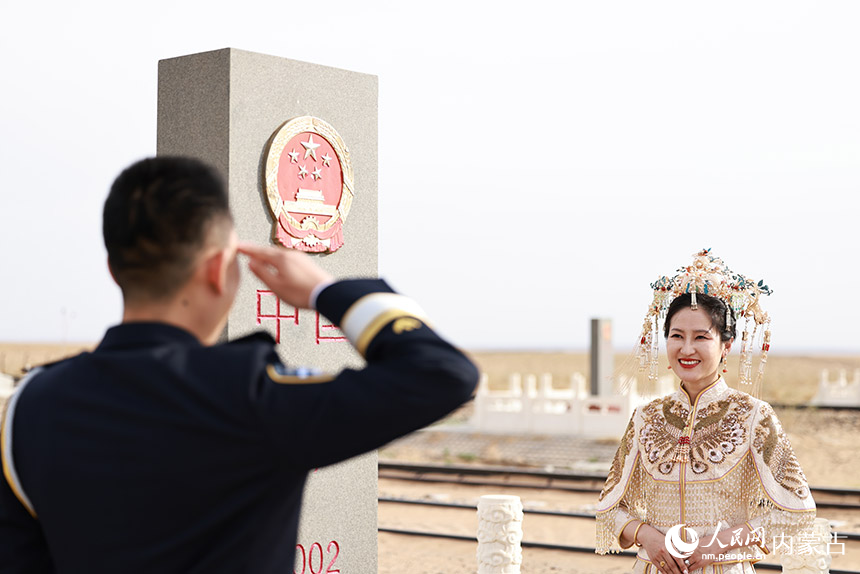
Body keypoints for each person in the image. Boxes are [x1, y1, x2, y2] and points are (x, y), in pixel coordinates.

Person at [0, 156, 479, 574]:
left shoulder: (30, 407)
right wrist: (324, 289)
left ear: (113, 270)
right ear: (218, 269)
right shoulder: (251, 396)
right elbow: (442, 372)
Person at [595, 250, 816, 574]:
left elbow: (798, 509)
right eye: (676, 336)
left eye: (701, 337)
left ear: (726, 345)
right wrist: (647, 536)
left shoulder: (753, 415)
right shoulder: (647, 416)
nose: (686, 349)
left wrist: (716, 544)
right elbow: (608, 507)